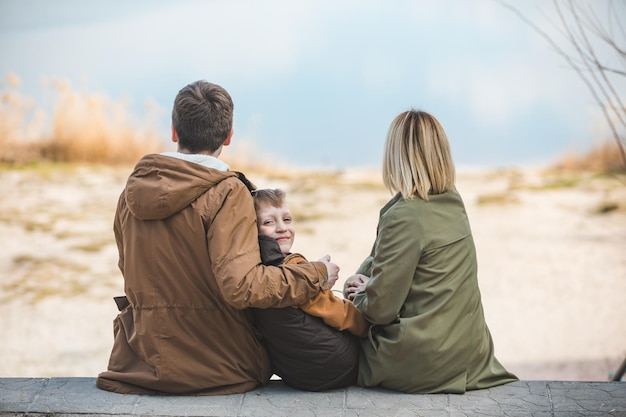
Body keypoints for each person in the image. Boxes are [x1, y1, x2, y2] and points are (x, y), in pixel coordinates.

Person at [96, 80, 338, 396]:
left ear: (174, 131)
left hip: (139, 363)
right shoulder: (227, 193)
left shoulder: (131, 194)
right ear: (228, 136)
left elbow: (129, 269)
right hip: (221, 367)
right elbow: (242, 286)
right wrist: (315, 274)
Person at [343, 110, 518, 394]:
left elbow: (380, 309)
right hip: (471, 355)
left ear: (395, 156)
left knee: (322, 347)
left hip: (425, 359)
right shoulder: (451, 201)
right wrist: (365, 278)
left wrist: (359, 294)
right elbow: (391, 263)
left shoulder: (405, 215)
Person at [251, 188, 368, 391]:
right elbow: (335, 312)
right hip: (336, 365)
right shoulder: (293, 270)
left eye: (287, 220)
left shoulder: (251, 269)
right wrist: (368, 327)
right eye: (269, 222)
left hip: (294, 373)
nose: (282, 228)